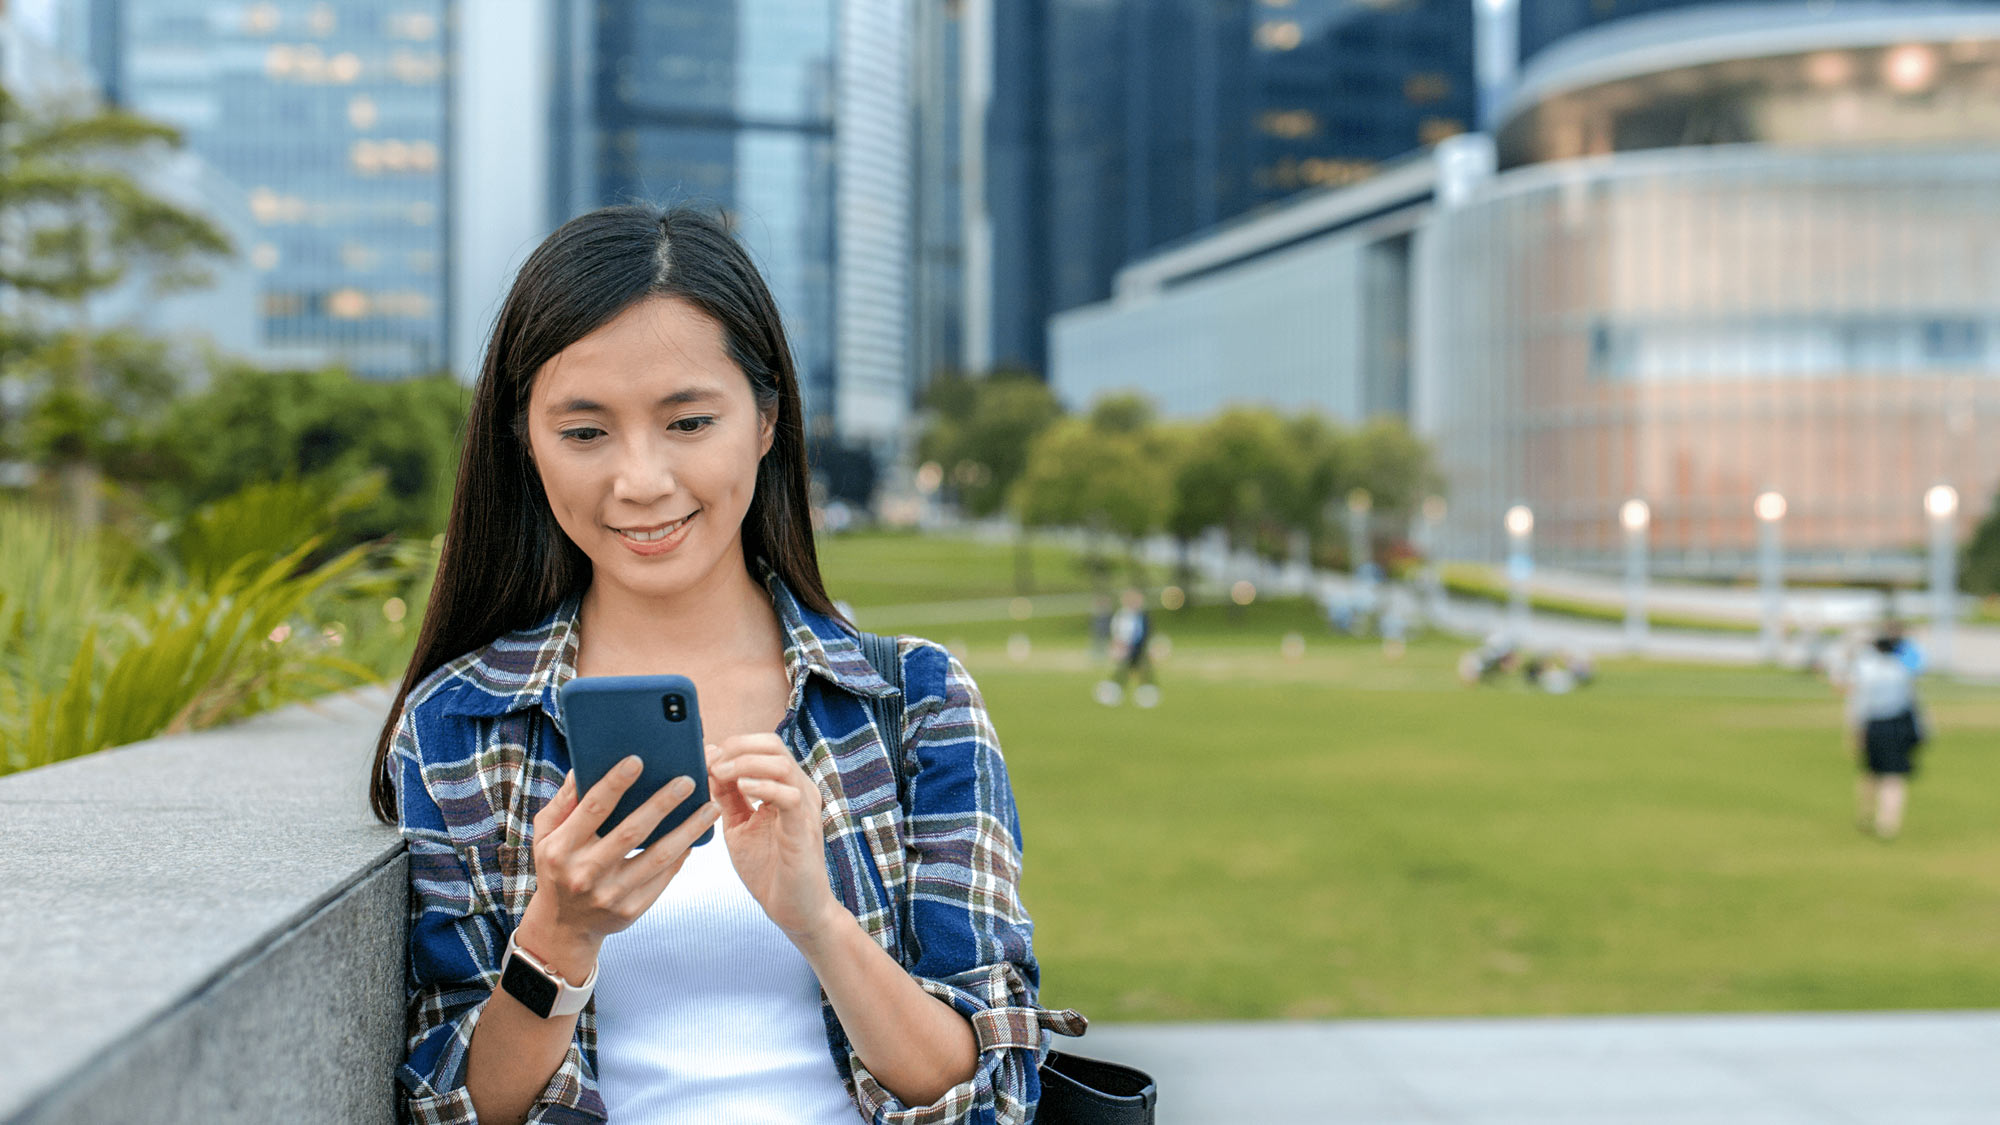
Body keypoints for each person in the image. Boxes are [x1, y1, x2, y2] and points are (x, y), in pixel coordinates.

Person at [367, 205, 1079, 1125]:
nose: (641, 480)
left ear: (767, 419)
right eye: (585, 432)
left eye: (689, 421)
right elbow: (451, 1109)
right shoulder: (458, 726)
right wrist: (559, 936)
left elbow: (992, 1091)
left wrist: (817, 919)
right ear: (524, 442)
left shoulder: (915, 705)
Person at [1846, 632, 1926, 839]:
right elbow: (1913, 703)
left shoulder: (1867, 671)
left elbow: (1859, 703)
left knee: (1871, 772)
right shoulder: (1901, 671)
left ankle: (1866, 813)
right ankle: (1887, 823)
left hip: (1874, 725)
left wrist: (1855, 731)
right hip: (1896, 725)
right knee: (1893, 777)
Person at [1097, 587, 1158, 707]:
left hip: (1140, 648)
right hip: (1127, 648)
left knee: (1142, 671)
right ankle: (1112, 692)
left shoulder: (1143, 616)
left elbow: (1147, 632)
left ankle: (1147, 693)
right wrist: (1120, 645)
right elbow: (1118, 632)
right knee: (1124, 672)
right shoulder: (1123, 615)